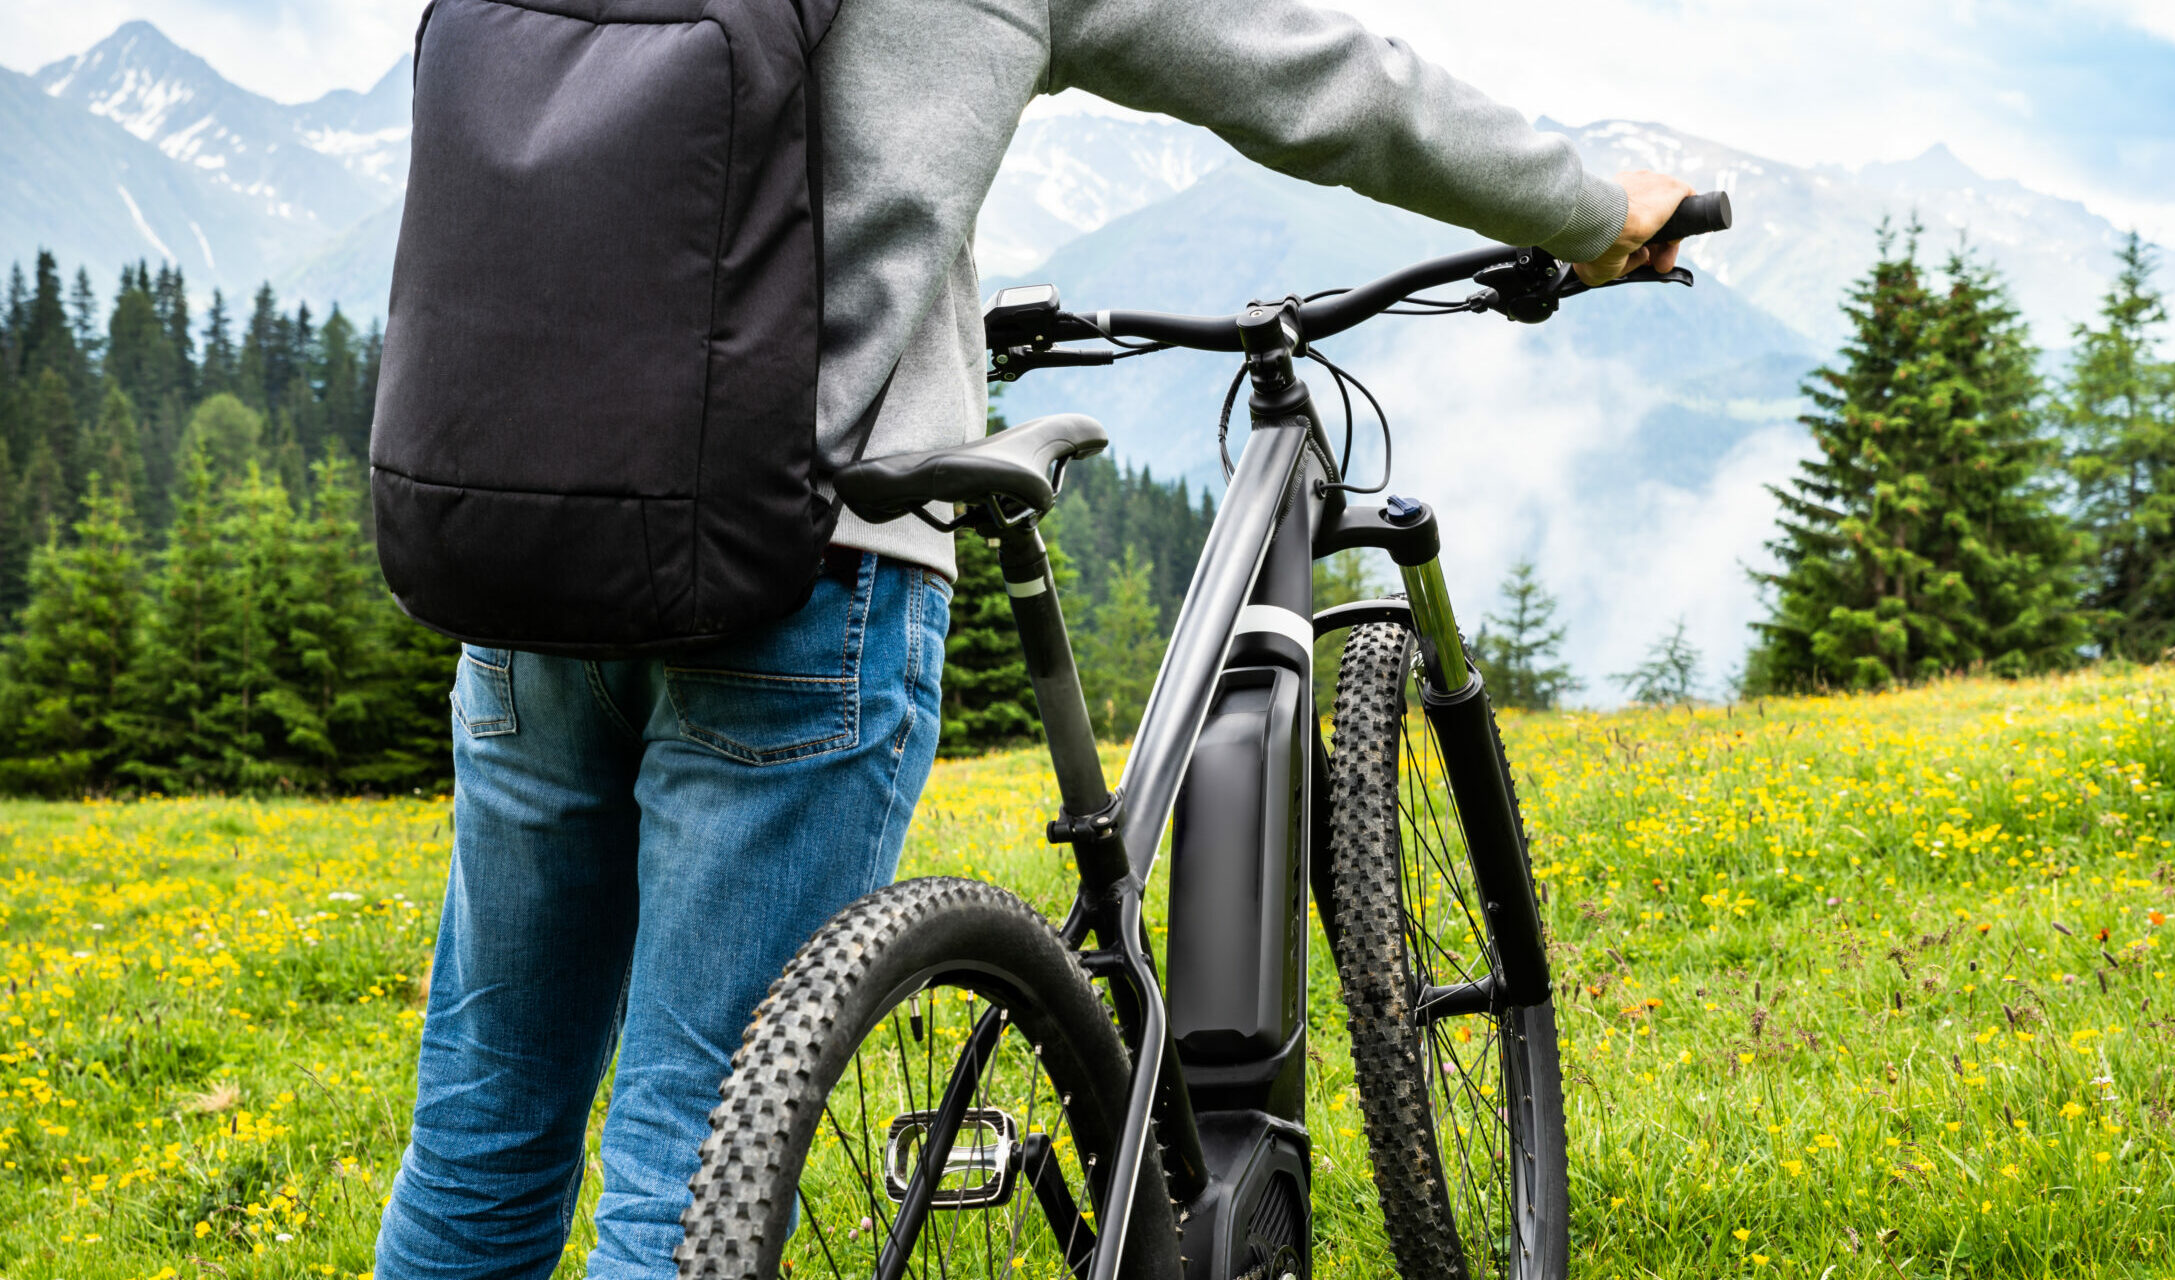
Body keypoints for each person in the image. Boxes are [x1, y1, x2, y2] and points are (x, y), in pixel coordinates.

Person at [368, 0, 1695, 1274]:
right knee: (690, 1157)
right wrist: (1588, 210)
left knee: (482, 1133)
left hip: (534, 547)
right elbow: (1318, 77)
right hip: (811, 562)